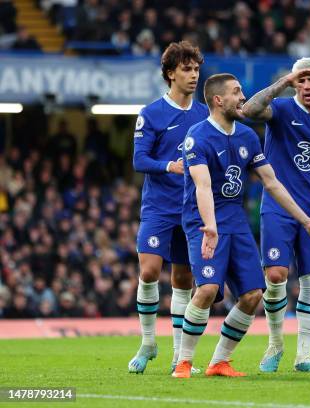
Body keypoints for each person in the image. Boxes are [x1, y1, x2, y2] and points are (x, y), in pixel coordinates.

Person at [172, 73, 310, 378]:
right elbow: (202, 187)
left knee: (254, 294)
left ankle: (219, 361)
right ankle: (184, 360)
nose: (243, 97)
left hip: (236, 222)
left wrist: (305, 219)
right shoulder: (197, 136)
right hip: (203, 223)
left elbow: (272, 182)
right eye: (236, 92)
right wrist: (210, 226)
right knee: (207, 289)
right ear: (219, 100)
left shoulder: (246, 136)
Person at [242, 57, 310, 373]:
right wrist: (282, 83)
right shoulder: (282, 110)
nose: (306, 85)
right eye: (301, 80)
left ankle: (304, 356)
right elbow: (248, 110)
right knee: (275, 276)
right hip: (278, 207)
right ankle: (275, 344)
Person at [128, 41, 209, 375]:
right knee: (148, 271)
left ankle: (179, 354)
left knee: (182, 279)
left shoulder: (205, 113)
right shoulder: (151, 113)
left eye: (196, 69)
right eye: (186, 69)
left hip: (191, 210)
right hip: (159, 208)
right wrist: (168, 167)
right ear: (170, 73)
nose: (193, 75)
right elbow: (139, 159)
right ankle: (148, 342)